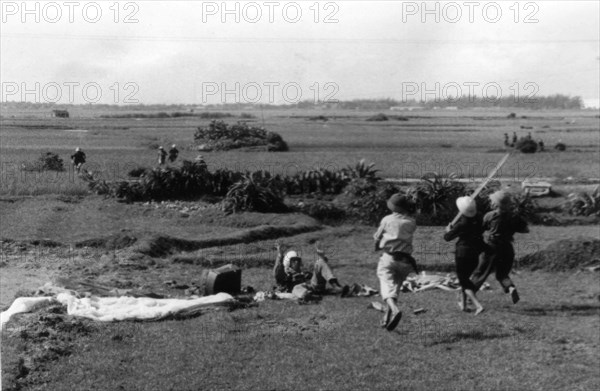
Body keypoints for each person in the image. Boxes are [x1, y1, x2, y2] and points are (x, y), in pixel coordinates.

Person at [470, 190, 529, 305]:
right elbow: (525, 229)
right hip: (507, 248)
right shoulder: (514, 217)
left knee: (480, 273)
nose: (490, 202)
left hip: (491, 248)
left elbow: (481, 228)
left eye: (492, 201)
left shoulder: (490, 216)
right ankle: (510, 287)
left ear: (496, 204)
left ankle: (469, 295)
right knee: (502, 274)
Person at [373, 193, 418, 331]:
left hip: (390, 257)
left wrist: (377, 244)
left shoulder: (387, 219)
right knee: (394, 288)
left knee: (386, 284)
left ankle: (395, 310)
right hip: (406, 261)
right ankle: (387, 316)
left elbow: (377, 237)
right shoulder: (411, 222)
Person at [443, 196, 485, 315]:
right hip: (475, 253)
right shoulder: (479, 219)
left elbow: (447, 238)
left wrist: (448, 230)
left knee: (464, 281)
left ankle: (478, 305)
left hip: (463, 254)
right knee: (464, 278)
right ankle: (464, 305)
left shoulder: (462, 223)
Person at [273, 241, 349, 297]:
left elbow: (320, 273)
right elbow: (276, 273)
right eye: (294, 260)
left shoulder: (303, 272)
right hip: (299, 290)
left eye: (298, 260)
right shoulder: (285, 275)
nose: (297, 262)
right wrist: (280, 255)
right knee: (297, 287)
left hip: (313, 287)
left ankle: (337, 287)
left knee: (320, 262)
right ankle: (307, 296)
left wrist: (322, 257)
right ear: (288, 262)